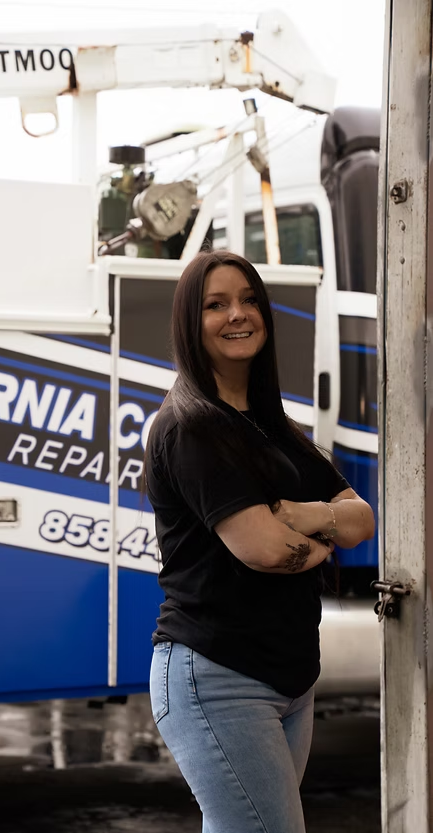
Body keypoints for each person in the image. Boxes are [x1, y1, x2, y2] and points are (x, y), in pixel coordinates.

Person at [145, 250, 375, 833]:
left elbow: (364, 517)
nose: (237, 314)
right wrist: (324, 536)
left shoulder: (272, 424)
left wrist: (300, 513)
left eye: (248, 299)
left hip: (288, 678)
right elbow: (264, 550)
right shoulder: (192, 427)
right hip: (218, 676)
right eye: (215, 304)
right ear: (188, 323)